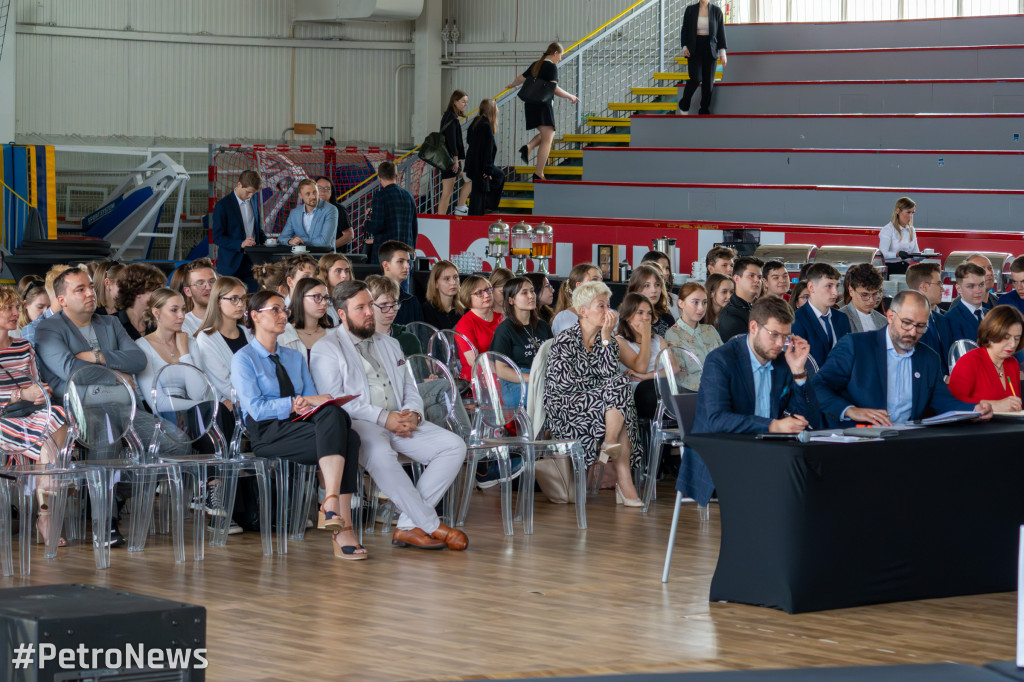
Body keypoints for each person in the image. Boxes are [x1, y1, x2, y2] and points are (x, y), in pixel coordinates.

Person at [310, 280, 468, 551]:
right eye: (360, 308)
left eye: (370, 305)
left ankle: (407, 525)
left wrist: (414, 414)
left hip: (401, 419)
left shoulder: (390, 343)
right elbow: (334, 400)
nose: (370, 312)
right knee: (381, 455)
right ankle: (431, 525)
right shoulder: (327, 347)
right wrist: (385, 418)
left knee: (454, 446)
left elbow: (410, 387)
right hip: (360, 425)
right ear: (341, 314)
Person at [233, 289, 365, 560]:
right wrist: (293, 403)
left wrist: (311, 403)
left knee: (336, 418)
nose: (284, 316)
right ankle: (343, 528)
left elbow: (311, 398)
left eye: (285, 310)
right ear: (255, 316)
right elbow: (256, 410)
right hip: (268, 432)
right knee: (348, 437)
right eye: (276, 310)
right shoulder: (244, 358)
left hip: (300, 426)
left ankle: (330, 503)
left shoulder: (293, 356)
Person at [681, 296, 815, 506]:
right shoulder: (721, 360)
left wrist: (798, 373)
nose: (780, 344)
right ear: (753, 327)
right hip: (722, 451)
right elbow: (717, 420)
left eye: (786, 336)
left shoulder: (782, 362)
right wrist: (772, 425)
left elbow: (806, 417)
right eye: (774, 335)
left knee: (814, 476)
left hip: (767, 451)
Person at [813, 290, 993, 427]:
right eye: (906, 323)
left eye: (921, 326)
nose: (913, 332)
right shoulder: (856, 346)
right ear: (890, 316)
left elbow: (941, 401)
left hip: (906, 441)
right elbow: (819, 387)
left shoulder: (928, 358)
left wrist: (973, 410)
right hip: (858, 439)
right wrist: (850, 410)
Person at [544, 281, 641, 506]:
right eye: (601, 306)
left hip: (601, 404)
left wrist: (607, 338)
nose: (608, 312)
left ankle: (610, 444)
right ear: (583, 311)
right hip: (566, 407)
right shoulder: (564, 340)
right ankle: (624, 483)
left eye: (609, 305)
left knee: (618, 390)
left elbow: (609, 375)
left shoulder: (607, 341)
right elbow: (564, 386)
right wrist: (600, 392)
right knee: (619, 397)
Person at [0, 285, 70, 546]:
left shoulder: (23, 346)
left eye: (15, 307)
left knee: (58, 414)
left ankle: (45, 501)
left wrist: (41, 392)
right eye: (7, 308)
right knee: (48, 434)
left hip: (29, 414)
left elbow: (36, 383)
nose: (14, 312)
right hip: (3, 417)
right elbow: (23, 393)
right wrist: (20, 396)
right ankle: (45, 513)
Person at [506, 42, 580, 181]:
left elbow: (520, 79)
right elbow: (554, 89)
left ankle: (528, 147)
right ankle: (539, 173)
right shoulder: (551, 67)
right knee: (548, 138)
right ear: (555, 53)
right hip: (542, 105)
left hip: (530, 104)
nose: (561, 59)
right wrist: (570, 96)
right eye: (561, 56)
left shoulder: (536, 64)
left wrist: (511, 85)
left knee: (547, 134)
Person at [490, 277, 553, 408]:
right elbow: (501, 371)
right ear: (511, 300)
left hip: (541, 378)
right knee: (546, 393)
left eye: (532, 291)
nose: (531, 296)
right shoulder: (505, 329)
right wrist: (533, 378)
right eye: (524, 293)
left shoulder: (543, 326)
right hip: (515, 383)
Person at [948, 305, 1023, 412]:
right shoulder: (969, 362)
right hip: (976, 428)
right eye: (1006, 337)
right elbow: (952, 403)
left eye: (1017, 338)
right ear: (991, 333)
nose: (1012, 344)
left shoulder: (1012, 363)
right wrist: (994, 405)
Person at [135, 288, 200, 412]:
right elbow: (158, 403)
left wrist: (185, 353)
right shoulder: (142, 346)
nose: (181, 315)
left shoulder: (190, 343)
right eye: (174, 310)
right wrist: (205, 404)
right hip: (160, 420)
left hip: (195, 416)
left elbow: (197, 394)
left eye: (183, 309)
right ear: (156, 312)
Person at [194, 277, 252, 415]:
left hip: (251, 400)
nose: (240, 304)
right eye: (233, 299)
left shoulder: (249, 333)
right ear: (218, 301)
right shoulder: (206, 338)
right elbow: (225, 384)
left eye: (243, 299)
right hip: (231, 407)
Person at [212, 169, 264, 291]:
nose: (251, 196)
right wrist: (240, 244)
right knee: (230, 300)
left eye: (253, 193)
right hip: (231, 263)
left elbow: (256, 229)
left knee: (253, 299)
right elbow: (217, 237)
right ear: (239, 184)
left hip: (252, 262)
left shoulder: (254, 201)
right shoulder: (223, 205)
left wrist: (267, 241)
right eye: (248, 192)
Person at [615, 292, 664, 420]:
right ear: (628, 316)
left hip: (661, 385)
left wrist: (646, 376)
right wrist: (646, 335)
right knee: (651, 390)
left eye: (649, 313)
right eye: (640, 313)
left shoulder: (658, 339)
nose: (646, 318)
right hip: (639, 392)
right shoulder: (620, 341)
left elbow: (673, 369)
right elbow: (640, 367)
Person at [791, 262, 850, 369]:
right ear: (811, 287)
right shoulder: (796, 320)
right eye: (828, 286)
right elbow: (801, 365)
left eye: (837, 286)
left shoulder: (842, 318)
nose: (835, 292)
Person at [666, 282, 722, 391]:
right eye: (695, 302)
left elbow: (726, 361)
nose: (701, 308)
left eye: (704, 302)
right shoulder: (673, 334)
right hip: (694, 394)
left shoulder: (710, 330)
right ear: (681, 304)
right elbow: (680, 377)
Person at [678, 0, 727, 115]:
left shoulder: (717, 11)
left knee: (708, 83)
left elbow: (721, 32)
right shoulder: (690, 10)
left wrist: (723, 53)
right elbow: (684, 29)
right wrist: (684, 47)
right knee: (695, 78)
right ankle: (684, 103)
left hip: (711, 49)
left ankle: (704, 110)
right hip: (694, 48)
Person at [365, 161, 418, 264]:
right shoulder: (409, 196)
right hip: (405, 253)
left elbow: (377, 226)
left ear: (379, 177)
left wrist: (366, 223)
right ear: (396, 176)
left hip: (386, 254)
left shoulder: (380, 196)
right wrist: (412, 251)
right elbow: (414, 228)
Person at [906, 261, 953, 375]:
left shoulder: (942, 319)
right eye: (938, 284)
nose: (942, 288)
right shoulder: (906, 323)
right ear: (924, 287)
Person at [454, 275, 503, 382]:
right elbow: (475, 361)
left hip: (503, 375)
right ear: (467, 297)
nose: (486, 295)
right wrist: (504, 373)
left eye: (488, 290)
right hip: (476, 380)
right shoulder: (465, 324)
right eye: (479, 293)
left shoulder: (501, 318)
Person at [464, 99, 505, 216]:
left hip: (473, 165)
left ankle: (485, 208)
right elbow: (488, 150)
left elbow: (470, 141)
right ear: (491, 110)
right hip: (481, 166)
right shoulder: (486, 126)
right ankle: (488, 208)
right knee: (498, 177)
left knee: (477, 194)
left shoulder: (476, 122)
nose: (497, 110)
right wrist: (488, 170)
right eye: (495, 108)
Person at [365, 275, 421, 357]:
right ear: (370, 306)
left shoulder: (409, 340)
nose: (391, 310)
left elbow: (418, 368)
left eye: (394, 303)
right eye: (384, 305)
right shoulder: (360, 340)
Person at [281, 277, 332, 365]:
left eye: (326, 297)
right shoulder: (284, 335)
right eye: (317, 297)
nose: (324, 303)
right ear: (300, 298)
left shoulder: (332, 334)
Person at [278, 178, 339, 249]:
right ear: (300, 196)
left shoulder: (331, 210)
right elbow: (282, 238)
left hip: (323, 257)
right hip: (300, 257)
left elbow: (324, 242)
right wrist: (290, 241)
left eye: (315, 192)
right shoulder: (294, 213)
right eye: (308, 194)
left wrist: (300, 241)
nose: (313, 196)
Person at [438, 90, 471, 216]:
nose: (465, 104)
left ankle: (460, 206)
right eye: (463, 101)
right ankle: (442, 218)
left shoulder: (449, 116)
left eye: (466, 102)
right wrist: (455, 160)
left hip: (448, 159)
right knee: (447, 193)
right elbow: (451, 141)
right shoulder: (451, 118)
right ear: (455, 102)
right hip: (449, 161)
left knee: (469, 179)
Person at [20, 265, 71, 346]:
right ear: (25, 305)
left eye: (48, 306)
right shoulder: (31, 329)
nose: (45, 311)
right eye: (40, 307)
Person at [114, 263, 166, 341]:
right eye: (155, 290)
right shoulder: (112, 324)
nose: (160, 296)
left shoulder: (156, 323)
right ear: (137, 292)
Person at [717, 256, 763, 342]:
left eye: (759, 277)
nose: (757, 280)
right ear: (736, 278)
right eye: (751, 275)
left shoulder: (763, 308)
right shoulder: (730, 315)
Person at [378, 240, 424, 325]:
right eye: (400, 261)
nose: (407, 266)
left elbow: (420, 335)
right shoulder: (371, 299)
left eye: (408, 261)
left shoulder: (412, 301)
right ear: (386, 265)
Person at [945, 261, 991, 344]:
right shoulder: (950, 319)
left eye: (981, 284)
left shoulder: (991, 315)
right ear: (959, 288)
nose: (978, 291)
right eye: (971, 286)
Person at [551, 263, 603, 336]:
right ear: (579, 286)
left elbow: (609, 347)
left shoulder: (609, 314)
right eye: (594, 280)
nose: (601, 284)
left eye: (601, 280)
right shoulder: (565, 318)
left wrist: (607, 337)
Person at [627, 264, 675, 338]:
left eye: (657, 285)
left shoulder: (667, 319)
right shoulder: (626, 319)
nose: (654, 290)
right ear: (635, 289)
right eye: (647, 285)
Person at [840, 263, 887, 333]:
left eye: (875, 294)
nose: (871, 300)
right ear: (851, 291)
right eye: (864, 295)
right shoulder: (839, 319)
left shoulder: (883, 321)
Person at [314, 176, 354, 249]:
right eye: (319, 187)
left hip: (333, 256)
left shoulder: (338, 210)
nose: (323, 191)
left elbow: (349, 235)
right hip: (312, 255)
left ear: (331, 192)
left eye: (327, 188)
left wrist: (330, 247)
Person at [878, 196, 920, 265]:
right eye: (908, 212)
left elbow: (915, 257)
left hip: (906, 269)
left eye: (913, 213)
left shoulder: (911, 230)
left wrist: (925, 255)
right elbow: (882, 254)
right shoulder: (888, 229)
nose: (910, 216)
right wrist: (897, 254)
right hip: (891, 268)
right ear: (898, 211)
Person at [180, 258, 217, 337]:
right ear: (188, 291)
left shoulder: (230, 318)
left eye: (212, 281)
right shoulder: (183, 324)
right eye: (199, 283)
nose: (208, 287)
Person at [423, 260, 464, 330]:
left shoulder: (464, 309)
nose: (453, 282)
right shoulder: (426, 310)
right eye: (447, 279)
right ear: (436, 284)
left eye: (455, 277)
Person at [642, 250, 680, 320]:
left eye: (667, 268)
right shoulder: (636, 305)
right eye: (661, 268)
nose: (666, 273)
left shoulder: (675, 299)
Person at [318, 253, 352, 327]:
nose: (344, 276)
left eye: (347, 271)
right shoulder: (318, 302)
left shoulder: (353, 298)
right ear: (325, 273)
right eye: (338, 271)